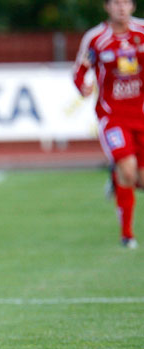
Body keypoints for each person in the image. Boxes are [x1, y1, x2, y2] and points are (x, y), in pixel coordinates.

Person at [74, 0, 144, 248]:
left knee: (140, 179)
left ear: (133, 7)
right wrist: (84, 87)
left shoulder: (142, 33)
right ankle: (127, 235)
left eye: (125, 3)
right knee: (128, 169)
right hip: (112, 116)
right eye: (115, 3)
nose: (121, 8)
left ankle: (115, 181)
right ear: (107, 7)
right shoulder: (96, 38)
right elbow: (80, 71)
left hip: (142, 115)